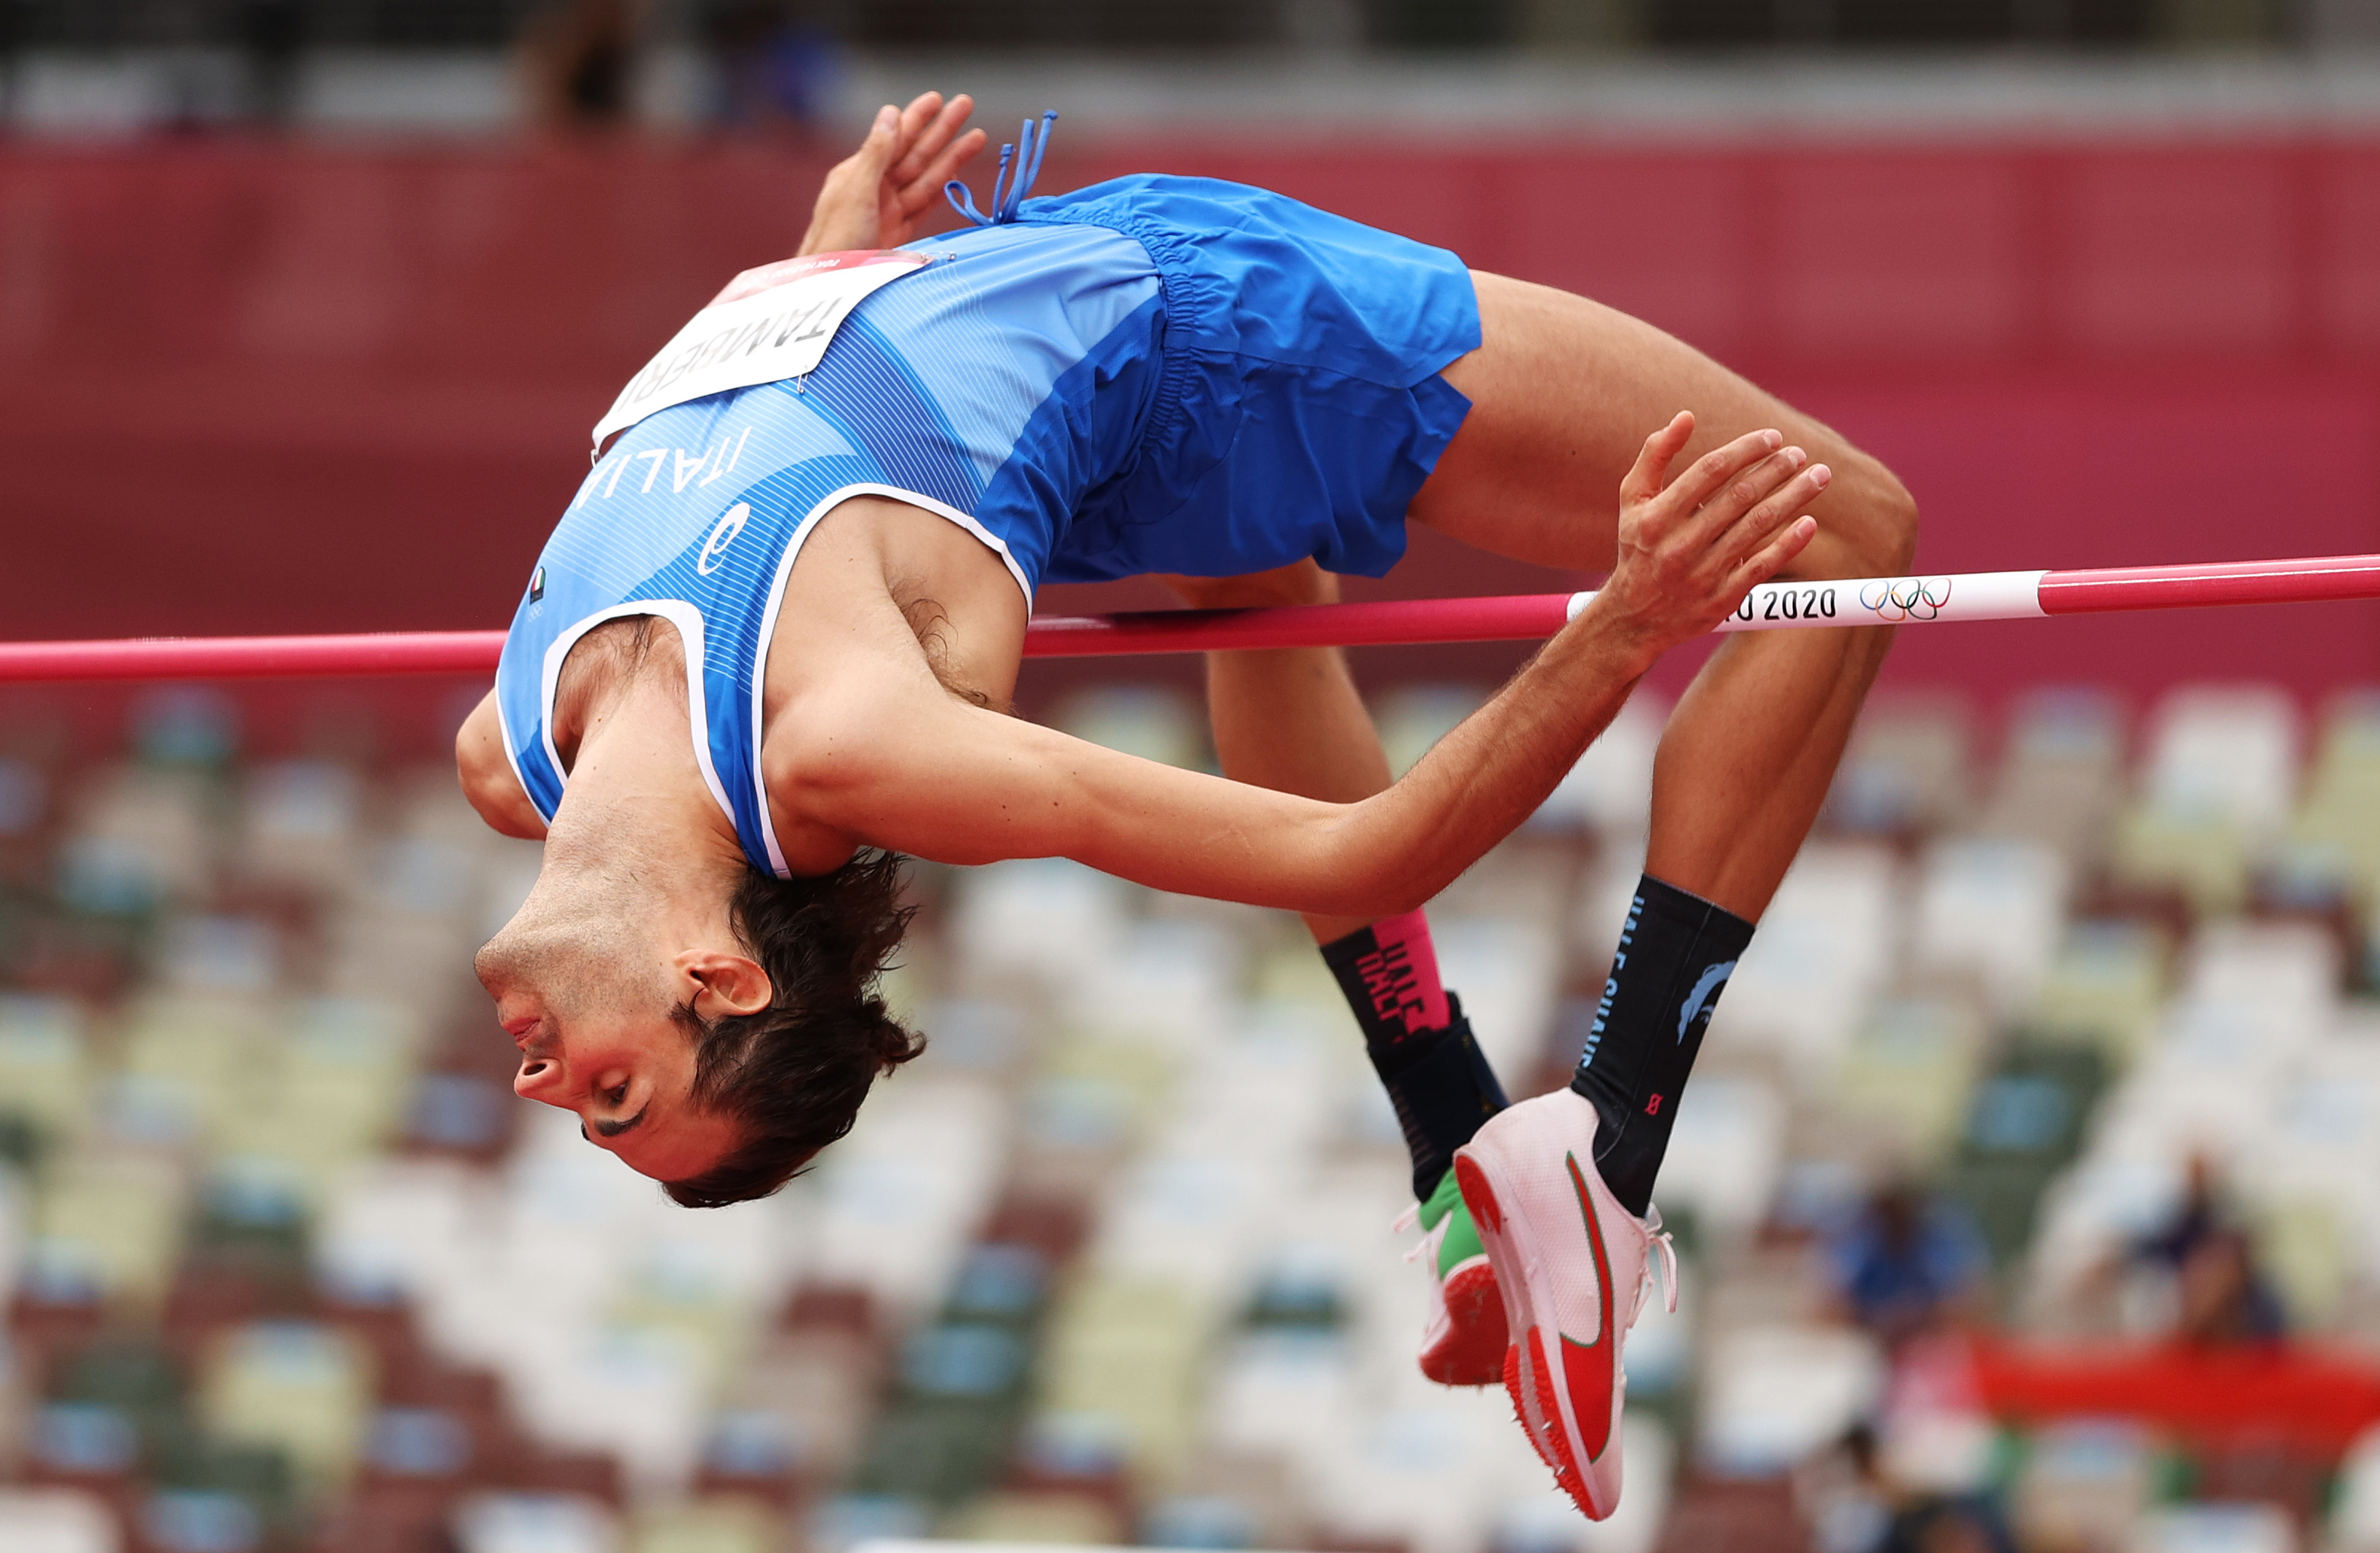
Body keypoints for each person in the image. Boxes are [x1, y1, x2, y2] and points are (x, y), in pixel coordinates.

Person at [455, 93, 1917, 1519]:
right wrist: (1621, 627)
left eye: (595, 1106)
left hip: (1042, 357)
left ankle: (1448, 1138)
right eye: (609, 1091)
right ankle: (1608, 1141)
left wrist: (833, 251)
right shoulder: (847, 741)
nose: (540, 1083)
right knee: (1850, 524)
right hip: (1202, 344)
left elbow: (722, 435)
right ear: (711, 975)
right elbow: (1363, 845)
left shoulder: (513, 746)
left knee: (1251, 579)